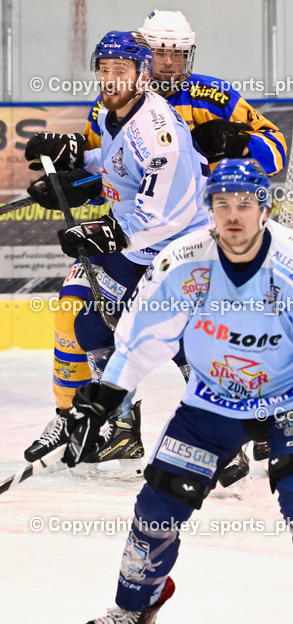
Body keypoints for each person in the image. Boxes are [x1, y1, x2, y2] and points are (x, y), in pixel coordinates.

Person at [68, 160, 293, 624]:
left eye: (245, 203)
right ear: (209, 210)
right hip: (212, 397)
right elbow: (140, 340)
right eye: (222, 204)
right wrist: (103, 398)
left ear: (264, 210)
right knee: (158, 505)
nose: (233, 214)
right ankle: (135, 606)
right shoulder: (181, 262)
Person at [25, 11, 287, 484]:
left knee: (191, 335)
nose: (168, 63)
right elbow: (113, 168)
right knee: (86, 319)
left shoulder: (209, 98)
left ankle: (241, 423)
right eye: (159, 52)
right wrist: (69, 175)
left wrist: (238, 145)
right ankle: (110, 422)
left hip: (189, 237)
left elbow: (272, 152)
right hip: (141, 236)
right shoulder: (114, 102)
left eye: (176, 54)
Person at [21, 31, 210, 477]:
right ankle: (119, 424)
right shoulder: (114, 112)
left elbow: (165, 216)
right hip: (139, 245)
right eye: (104, 69)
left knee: (176, 336)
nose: (110, 78)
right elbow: (116, 162)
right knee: (90, 325)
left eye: (120, 70)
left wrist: (105, 235)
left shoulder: (160, 136)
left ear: (142, 75)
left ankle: (218, 426)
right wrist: (74, 159)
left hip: (179, 249)